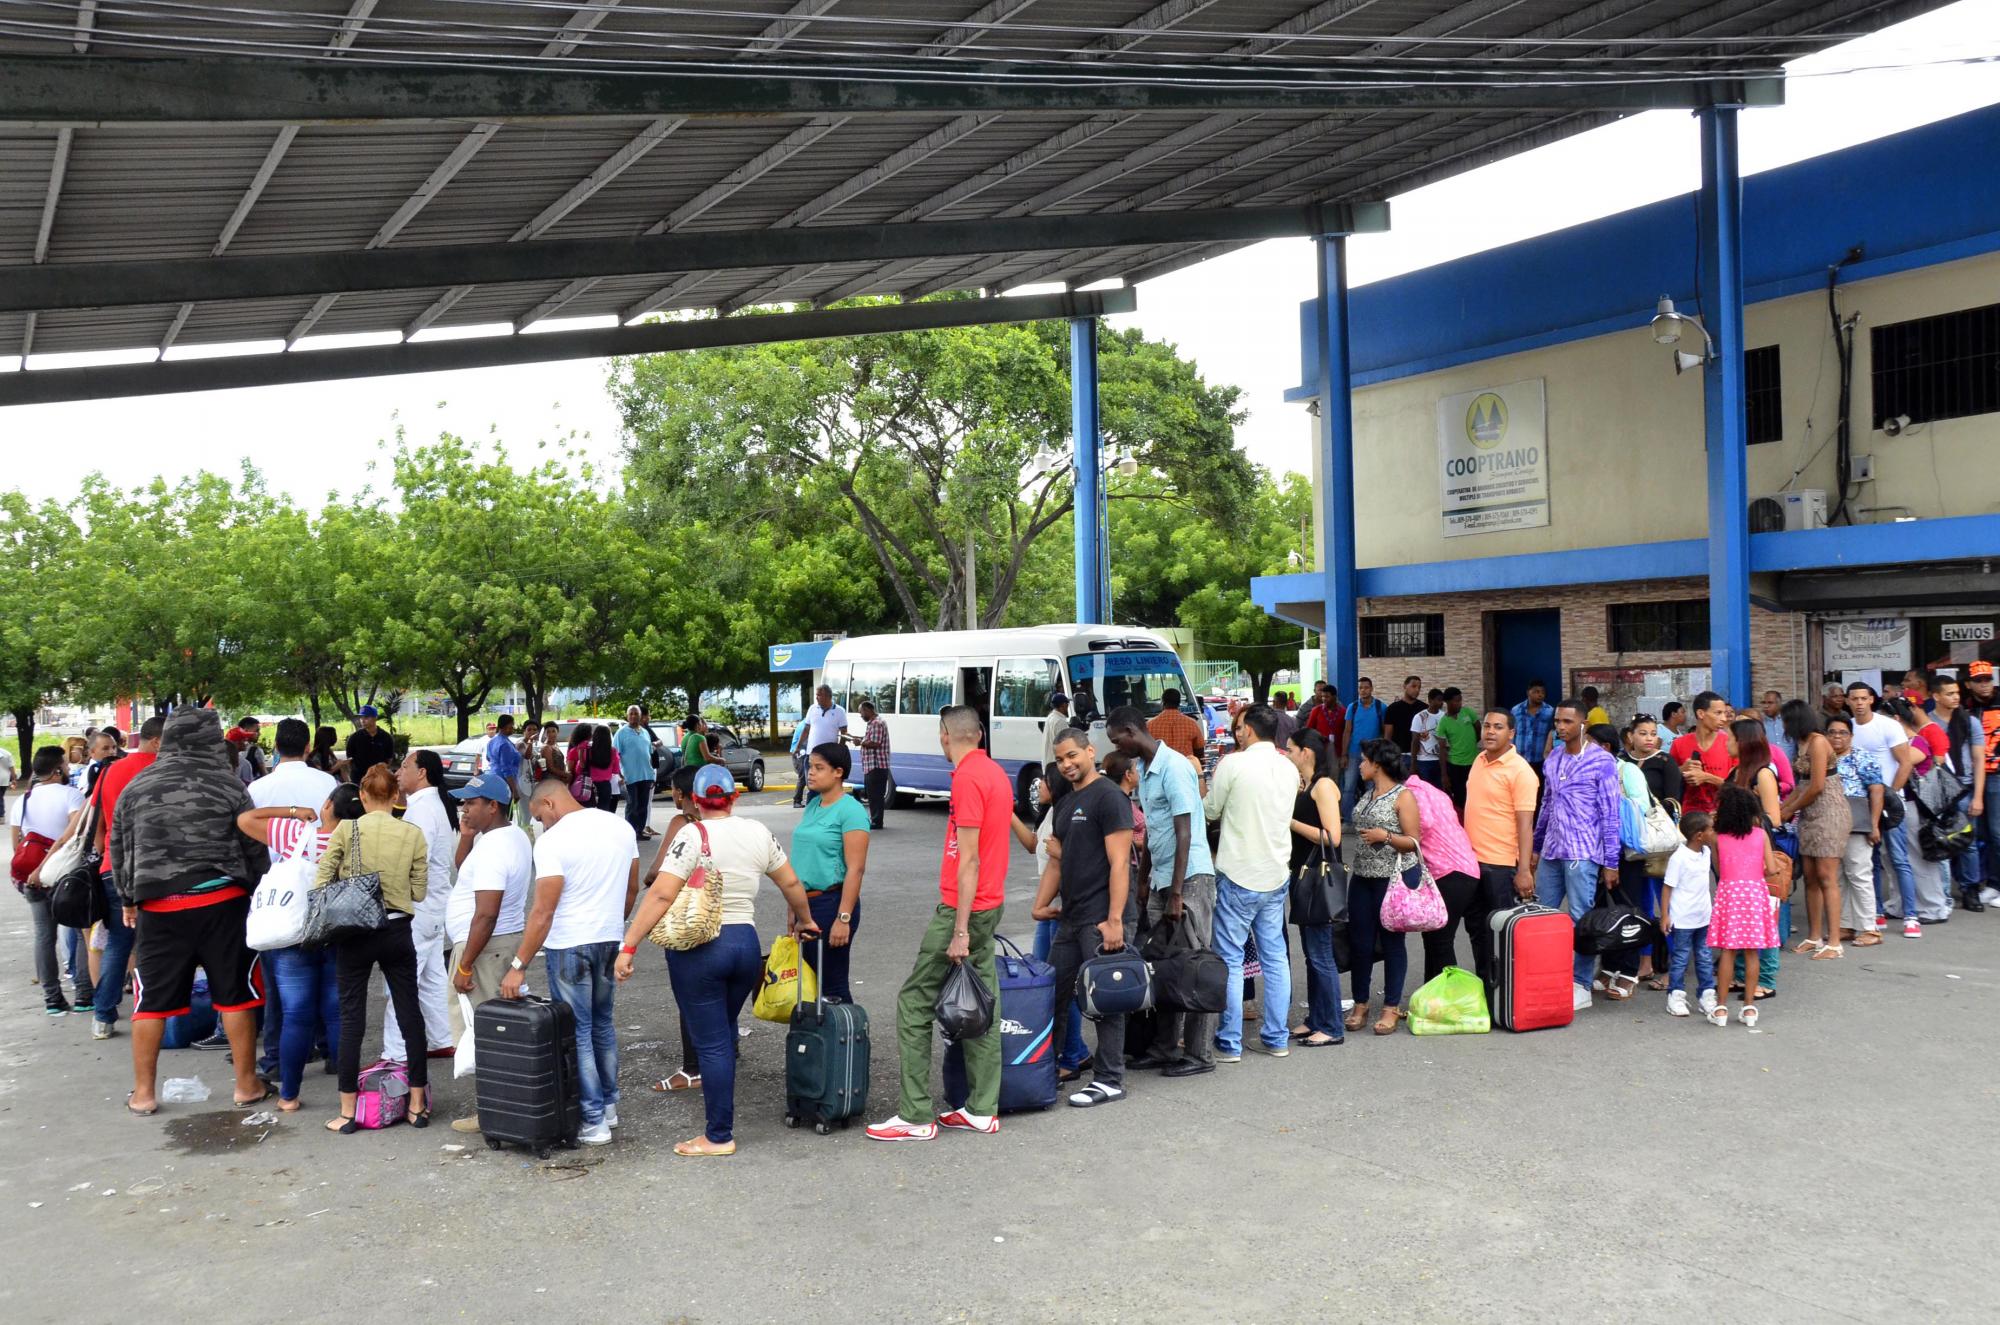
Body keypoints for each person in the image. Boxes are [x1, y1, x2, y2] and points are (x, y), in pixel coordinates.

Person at [617, 764, 817, 1157]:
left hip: (702, 949)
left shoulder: (692, 834)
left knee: (711, 1043)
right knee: (722, 1033)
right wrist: (806, 920)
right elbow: (791, 882)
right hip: (745, 946)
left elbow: (661, 894)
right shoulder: (757, 832)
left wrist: (629, 946)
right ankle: (719, 1123)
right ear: (734, 797)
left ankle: (719, 1135)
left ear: (695, 800)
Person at [111, 709, 271, 1116]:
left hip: (159, 907)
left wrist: (128, 898)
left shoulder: (137, 787)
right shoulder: (229, 785)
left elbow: (120, 847)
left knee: (150, 1001)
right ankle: (246, 1085)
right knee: (235, 996)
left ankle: (143, 1094)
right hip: (223, 904)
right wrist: (258, 888)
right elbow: (253, 845)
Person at [868, 707, 1010, 1142]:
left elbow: (969, 860)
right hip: (990, 903)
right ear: (979, 734)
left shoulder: (968, 778)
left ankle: (915, 1115)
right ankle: (982, 1109)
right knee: (982, 1003)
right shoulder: (994, 772)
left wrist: (960, 930)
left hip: (963, 909)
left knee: (914, 1002)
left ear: (945, 735)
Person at [507, 775, 642, 1147]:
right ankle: (609, 1107)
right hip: (609, 939)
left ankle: (593, 1120)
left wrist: (518, 965)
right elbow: (631, 888)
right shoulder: (620, 827)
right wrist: (612, 924)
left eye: (539, 816)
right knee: (602, 1024)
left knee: (578, 1032)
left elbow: (542, 912)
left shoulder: (553, 842)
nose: (541, 824)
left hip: (569, 945)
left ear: (549, 803)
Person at [313, 765, 432, 1133]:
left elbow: (321, 880)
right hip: (397, 930)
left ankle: (348, 1112)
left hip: (355, 932)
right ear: (396, 796)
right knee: (410, 1014)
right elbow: (419, 892)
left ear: (362, 796)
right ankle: (417, 1105)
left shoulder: (346, 830)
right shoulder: (412, 833)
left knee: (352, 1019)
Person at [1107, 706, 1216, 1077]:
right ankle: (1166, 1048)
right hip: (1161, 880)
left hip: (1189, 881)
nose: (1117, 748)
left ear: (1131, 731)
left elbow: (1185, 831)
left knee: (1197, 968)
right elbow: (1154, 830)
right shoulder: (1146, 771)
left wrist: (1176, 894)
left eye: (1116, 740)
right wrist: (1144, 880)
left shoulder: (1174, 767)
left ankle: (1200, 1054)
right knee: (1164, 968)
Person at [1031, 728, 1136, 1108]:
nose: (1066, 764)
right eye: (1060, 759)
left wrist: (1115, 920)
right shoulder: (1065, 804)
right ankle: (1043, 1072)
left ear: (1090, 751)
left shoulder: (1109, 797)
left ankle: (1109, 1079)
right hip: (1071, 918)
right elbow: (1057, 862)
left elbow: (1120, 863)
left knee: (1105, 998)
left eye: (1072, 755)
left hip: (1101, 918)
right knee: (1054, 996)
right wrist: (1039, 905)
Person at [237, 783, 355, 1112]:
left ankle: (288, 1095)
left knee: (296, 1016)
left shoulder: (296, 834)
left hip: (293, 937)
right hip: (337, 933)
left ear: (327, 806)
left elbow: (245, 819)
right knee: (337, 1013)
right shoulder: (356, 842)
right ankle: (348, 1094)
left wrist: (293, 812)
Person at [246, 718, 339, 1079]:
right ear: (308, 747)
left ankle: (276, 1059)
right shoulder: (326, 783)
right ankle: (330, 1049)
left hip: (278, 891)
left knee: (280, 987)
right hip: (321, 885)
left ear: (275, 747)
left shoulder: (258, 788)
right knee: (327, 981)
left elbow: (247, 828)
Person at [1205, 703, 1298, 1059]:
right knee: (1275, 958)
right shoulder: (1288, 767)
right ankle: (1276, 1038)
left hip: (1238, 874)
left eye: (1240, 727)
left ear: (1250, 730)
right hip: (1275, 874)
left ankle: (1229, 1042)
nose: (1237, 732)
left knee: (1230, 959)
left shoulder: (1233, 764)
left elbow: (1210, 810)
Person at [76, 714, 163, 1038]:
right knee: (162, 943)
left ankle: (103, 1017)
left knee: (118, 943)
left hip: (114, 868)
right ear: (158, 741)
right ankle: (159, 1012)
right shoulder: (164, 770)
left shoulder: (111, 770)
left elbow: (97, 821)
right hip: (158, 869)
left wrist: (104, 855)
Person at [1533, 700, 1623, 1009]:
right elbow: (1546, 804)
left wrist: (1611, 862)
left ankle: (1581, 983)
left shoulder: (1602, 761)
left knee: (1581, 919)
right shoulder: (1553, 758)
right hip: (1552, 849)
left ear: (1583, 724)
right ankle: (1547, 976)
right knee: (1543, 916)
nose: (1560, 727)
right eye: (1557, 721)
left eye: (1567, 721)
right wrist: (1536, 847)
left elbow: (1611, 814)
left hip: (1583, 852)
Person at [381, 750, 457, 1066]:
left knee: (402, 978)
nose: (398, 772)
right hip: (433, 904)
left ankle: (395, 1051)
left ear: (422, 772)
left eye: (404, 766)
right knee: (431, 976)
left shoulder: (423, 809)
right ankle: (442, 1038)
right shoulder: (432, 804)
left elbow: (412, 859)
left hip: (418, 906)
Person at [1346, 739, 1422, 1035]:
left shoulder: (1403, 796)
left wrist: (1385, 837)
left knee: (1392, 943)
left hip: (1392, 880)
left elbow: (1414, 842)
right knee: (1360, 943)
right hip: (1362, 877)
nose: (1360, 765)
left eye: (1364, 760)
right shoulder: (1368, 793)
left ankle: (1391, 1006)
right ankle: (1360, 1003)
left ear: (1377, 764)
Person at [1462, 709, 1540, 995]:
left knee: (1502, 934)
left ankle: (1508, 996)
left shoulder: (1521, 771)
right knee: (1477, 930)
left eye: (1498, 727)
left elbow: (1525, 825)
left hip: (1501, 866)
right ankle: (1487, 991)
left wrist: (1524, 870)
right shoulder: (1479, 760)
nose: (1490, 732)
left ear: (1511, 733)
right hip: (1472, 862)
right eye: (1487, 726)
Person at [792, 742, 870, 1002]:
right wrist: (794, 907)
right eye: (810, 766)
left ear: (838, 772)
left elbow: (856, 869)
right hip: (806, 904)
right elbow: (804, 860)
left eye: (819, 767)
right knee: (812, 985)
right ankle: (820, 1031)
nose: (811, 773)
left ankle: (848, 1029)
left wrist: (843, 918)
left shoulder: (851, 810)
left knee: (833, 986)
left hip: (832, 904)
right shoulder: (814, 805)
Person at [14, 746, 88, 1015]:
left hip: (33, 878)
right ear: (57, 769)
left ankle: (52, 999)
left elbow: (17, 845)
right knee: (80, 933)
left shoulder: (23, 800)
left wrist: (34, 870)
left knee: (44, 937)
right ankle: (84, 995)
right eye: (65, 765)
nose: (68, 768)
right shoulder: (72, 795)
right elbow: (75, 835)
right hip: (66, 876)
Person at [1282, 729, 1344, 1048]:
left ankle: (1332, 1025)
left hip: (1319, 878)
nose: (1287, 754)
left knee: (1320, 954)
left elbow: (1332, 836)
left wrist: (1290, 822)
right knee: (1311, 954)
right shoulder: (1304, 785)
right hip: (1302, 875)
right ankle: (1316, 1019)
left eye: (1290, 749)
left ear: (1306, 752)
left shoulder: (1324, 786)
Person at [1404, 747, 1481, 988]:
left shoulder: (1411, 793)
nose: (1361, 765)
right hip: (1463, 868)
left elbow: (1424, 824)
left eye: (1365, 761)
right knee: (1433, 937)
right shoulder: (1430, 789)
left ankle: (1451, 997)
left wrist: (1393, 835)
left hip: (1450, 872)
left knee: (1440, 940)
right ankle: (1431, 995)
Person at [1707, 785, 1781, 1028]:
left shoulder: (1718, 838)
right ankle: (1749, 1007)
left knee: (1728, 951)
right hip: (1755, 893)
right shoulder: (1760, 835)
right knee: (1752, 952)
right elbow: (1772, 869)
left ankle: (1720, 1007)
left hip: (1729, 893)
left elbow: (1719, 869)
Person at [1778, 701, 1846, 960]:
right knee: (1810, 877)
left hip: (1829, 812)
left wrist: (1789, 810)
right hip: (1809, 814)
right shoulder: (1803, 743)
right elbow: (1802, 784)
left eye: (1786, 720)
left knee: (1827, 876)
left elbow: (1817, 786)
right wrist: (1783, 808)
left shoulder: (1818, 742)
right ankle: (1814, 936)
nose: (1783, 725)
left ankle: (1834, 942)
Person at [1848, 683, 1917, 935]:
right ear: (1848, 701)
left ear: (1871, 700)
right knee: (1871, 860)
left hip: (1891, 804)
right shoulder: (1847, 728)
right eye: (1854, 698)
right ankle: (1876, 912)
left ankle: (1911, 916)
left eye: (1863, 698)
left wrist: (1891, 795)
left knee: (1899, 859)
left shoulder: (1888, 725)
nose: (1859, 703)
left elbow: (1905, 762)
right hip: (1861, 804)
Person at [1884, 695, 1954, 927]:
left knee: (1919, 858)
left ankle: (1933, 907)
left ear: (1895, 719)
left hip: (1915, 807)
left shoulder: (1917, 743)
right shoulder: (1901, 742)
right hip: (1897, 806)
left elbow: (1902, 762)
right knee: (1893, 858)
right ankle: (1899, 903)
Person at [1827, 716, 1886, 948]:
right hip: (1829, 824)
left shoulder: (1862, 757)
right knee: (1837, 876)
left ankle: (1870, 928)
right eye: (1832, 732)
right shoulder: (1823, 758)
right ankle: (1845, 925)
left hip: (1857, 822)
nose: (1837, 737)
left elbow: (1877, 791)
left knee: (1859, 874)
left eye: (1842, 733)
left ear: (1851, 736)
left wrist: (1874, 824)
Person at [1658, 812, 1719, 1020]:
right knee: (1680, 958)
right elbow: (1667, 887)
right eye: (1711, 829)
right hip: (1683, 918)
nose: (1714, 832)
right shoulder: (1679, 858)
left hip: (1703, 916)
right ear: (1699, 835)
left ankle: (1706, 994)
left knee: (1704, 956)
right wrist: (1665, 915)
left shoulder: (1706, 852)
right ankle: (1675, 995)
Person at [1933, 675, 1986, 909]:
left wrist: (1978, 796)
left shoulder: (1969, 721)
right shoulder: (1928, 722)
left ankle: (1970, 889)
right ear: (1936, 696)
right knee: (1939, 839)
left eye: (1957, 693)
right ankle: (1941, 891)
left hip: (1964, 787)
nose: (1955, 697)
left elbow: (1979, 760)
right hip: (1937, 788)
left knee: (1968, 841)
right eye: (1949, 693)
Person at [1671, 691, 1735, 818]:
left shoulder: (1731, 744)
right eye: (1718, 713)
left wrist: (1706, 777)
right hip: (1690, 817)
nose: (1724, 718)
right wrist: (1682, 770)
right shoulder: (1679, 744)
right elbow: (1669, 780)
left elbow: (1738, 787)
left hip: (1724, 814)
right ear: (1701, 714)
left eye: (1724, 713)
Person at [1342, 678, 1387, 819]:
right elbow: (1347, 731)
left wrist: (1382, 752)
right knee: (1348, 787)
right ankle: (1348, 820)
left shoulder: (1380, 707)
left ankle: (1370, 818)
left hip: (1372, 756)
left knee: (1371, 787)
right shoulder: (1353, 707)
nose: (1363, 690)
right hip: (1354, 753)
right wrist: (1344, 754)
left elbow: (1385, 731)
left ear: (1372, 689)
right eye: (1360, 688)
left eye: (1366, 687)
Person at [614, 707, 655, 841]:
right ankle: (630, 832)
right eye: (630, 714)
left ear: (640, 715)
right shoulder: (621, 733)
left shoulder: (645, 732)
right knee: (633, 804)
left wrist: (652, 774)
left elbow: (649, 753)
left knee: (643, 805)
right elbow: (615, 755)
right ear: (627, 716)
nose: (633, 716)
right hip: (629, 776)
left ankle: (639, 831)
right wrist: (619, 774)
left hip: (646, 775)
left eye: (636, 713)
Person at [851, 698, 892, 831]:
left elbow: (875, 743)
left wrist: (860, 742)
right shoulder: (874, 723)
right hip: (872, 765)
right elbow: (871, 739)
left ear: (867, 710)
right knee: (873, 795)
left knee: (875, 795)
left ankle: (876, 821)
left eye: (861, 712)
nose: (861, 715)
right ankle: (875, 819)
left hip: (876, 765)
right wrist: (860, 739)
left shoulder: (876, 723)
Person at [1435, 688, 1477, 810]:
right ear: (1447, 702)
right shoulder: (1443, 722)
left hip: (1473, 763)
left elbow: (1478, 731)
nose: (1459, 703)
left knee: (1474, 796)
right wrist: (1444, 775)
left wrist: (1469, 744)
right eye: (1456, 701)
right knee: (1459, 799)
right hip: (1455, 765)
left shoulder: (1468, 712)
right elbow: (1442, 749)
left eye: (1460, 700)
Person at [1512, 681, 1555, 782]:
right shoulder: (1516, 710)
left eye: (1543, 692)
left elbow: (1553, 735)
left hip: (1540, 760)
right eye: (1536, 691)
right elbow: (1512, 733)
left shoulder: (1550, 712)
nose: (1540, 695)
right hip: (1520, 759)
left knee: (1540, 788)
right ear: (1528, 692)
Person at [344, 706, 395, 782]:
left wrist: (383, 772)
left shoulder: (386, 737)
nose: (363, 720)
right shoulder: (354, 737)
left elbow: (389, 758)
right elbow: (349, 759)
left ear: (375, 718)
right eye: (361, 718)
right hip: (359, 778)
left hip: (379, 778)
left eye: (366, 717)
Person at [486, 711, 526, 803]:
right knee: (503, 809)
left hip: (493, 778)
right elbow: (506, 769)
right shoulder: (505, 744)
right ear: (506, 726)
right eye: (512, 725)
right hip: (504, 783)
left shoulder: (492, 741)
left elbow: (488, 758)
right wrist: (514, 790)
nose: (513, 728)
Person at [1042, 691, 1075, 797]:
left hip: (1049, 764)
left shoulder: (1050, 718)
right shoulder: (1060, 721)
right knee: (1062, 796)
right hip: (1057, 766)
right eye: (1067, 704)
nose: (1067, 706)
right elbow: (1065, 743)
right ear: (1063, 705)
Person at [803, 684, 849, 753]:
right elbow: (806, 730)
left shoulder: (840, 711)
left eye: (818, 695)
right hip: (812, 752)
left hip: (830, 754)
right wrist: (798, 747)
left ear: (827, 696)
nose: (816, 698)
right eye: (816, 695)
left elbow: (844, 733)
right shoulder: (812, 708)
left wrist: (839, 750)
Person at [585, 724, 620, 815]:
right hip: (605, 784)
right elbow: (615, 770)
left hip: (589, 783)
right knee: (604, 810)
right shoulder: (612, 751)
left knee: (589, 810)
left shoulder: (589, 750)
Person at [1385, 676, 1425, 754]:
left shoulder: (1424, 708)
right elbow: (1388, 735)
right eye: (1413, 686)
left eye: (1419, 687)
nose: (1417, 690)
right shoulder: (1393, 708)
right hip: (1398, 754)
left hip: (1420, 754)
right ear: (1404, 686)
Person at [1760, 691, 1795, 764]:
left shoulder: (1790, 721)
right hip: (1769, 767)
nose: (1766, 706)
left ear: (1779, 703)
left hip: (1791, 767)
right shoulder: (1760, 724)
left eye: (1770, 703)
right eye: (1763, 703)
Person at [789, 715, 812, 809]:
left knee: (806, 777)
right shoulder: (804, 727)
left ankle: (807, 800)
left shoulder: (804, 724)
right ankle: (797, 801)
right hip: (799, 755)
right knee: (803, 777)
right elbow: (806, 741)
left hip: (802, 754)